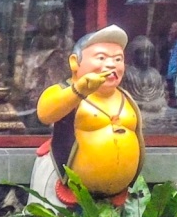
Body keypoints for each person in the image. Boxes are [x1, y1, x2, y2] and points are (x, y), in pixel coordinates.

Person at [29, 25, 144, 207]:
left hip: (118, 197)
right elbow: (45, 114)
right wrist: (79, 90)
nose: (111, 65)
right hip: (66, 188)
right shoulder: (65, 92)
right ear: (75, 63)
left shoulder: (125, 97)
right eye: (101, 58)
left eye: (118, 59)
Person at [120, 34, 177, 128]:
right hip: (137, 110)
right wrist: (144, 106)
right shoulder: (127, 74)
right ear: (133, 54)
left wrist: (157, 104)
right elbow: (124, 100)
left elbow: (163, 97)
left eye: (149, 53)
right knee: (129, 117)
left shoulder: (155, 73)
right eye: (141, 53)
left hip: (156, 110)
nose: (146, 57)